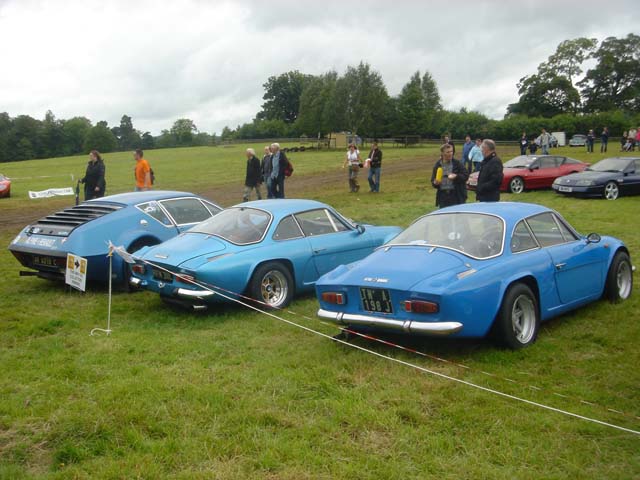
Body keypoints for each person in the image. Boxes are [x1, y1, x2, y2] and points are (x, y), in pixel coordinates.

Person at [431, 144, 468, 208]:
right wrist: (435, 183)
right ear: (442, 153)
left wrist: (456, 176)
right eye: (448, 152)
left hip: (456, 195)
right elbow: (433, 180)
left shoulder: (457, 163)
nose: (450, 154)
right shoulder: (437, 165)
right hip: (443, 196)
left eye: (451, 151)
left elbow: (466, 175)